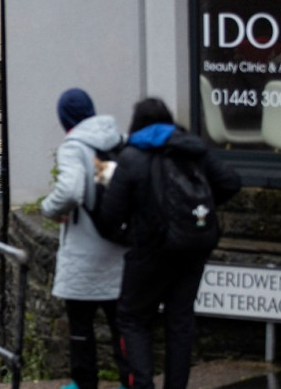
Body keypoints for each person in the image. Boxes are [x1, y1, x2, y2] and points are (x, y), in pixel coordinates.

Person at [99, 98, 240, 389]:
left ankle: (142, 384)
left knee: (134, 318)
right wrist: (199, 214)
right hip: (192, 247)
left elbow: (110, 216)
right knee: (180, 322)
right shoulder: (192, 149)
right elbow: (230, 183)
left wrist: (129, 234)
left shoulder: (132, 157)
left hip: (149, 251)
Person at [40, 88, 129, 389]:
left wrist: (48, 209)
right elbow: (108, 186)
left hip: (84, 252)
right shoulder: (116, 140)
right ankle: (130, 380)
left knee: (80, 326)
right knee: (122, 326)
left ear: (65, 118)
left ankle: (84, 382)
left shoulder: (74, 146)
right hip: (118, 247)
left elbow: (71, 190)